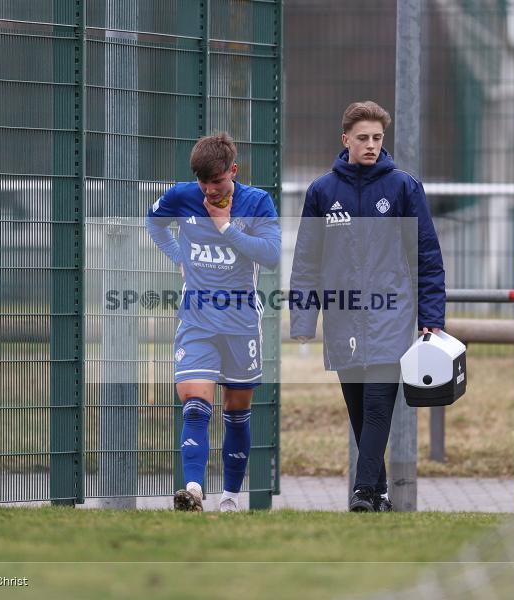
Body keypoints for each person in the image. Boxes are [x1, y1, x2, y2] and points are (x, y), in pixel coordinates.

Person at [290, 101, 446, 512]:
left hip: (391, 315)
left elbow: (426, 258)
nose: (372, 145)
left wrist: (430, 318)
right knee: (358, 410)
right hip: (342, 317)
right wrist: (304, 317)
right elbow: (306, 261)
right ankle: (377, 493)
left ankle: (361, 493)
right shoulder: (322, 192)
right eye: (363, 138)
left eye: (378, 138)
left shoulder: (403, 188)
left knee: (378, 404)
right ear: (346, 140)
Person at [145, 133, 280, 512]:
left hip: (241, 323)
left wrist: (225, 228)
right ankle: (192, 489)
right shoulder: (181, 196)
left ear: (232, 172)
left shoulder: (257, 202)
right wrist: (178, 257)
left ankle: (231, 499)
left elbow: (270, 255)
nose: (209, 191)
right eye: (203, 183)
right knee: (194, 402)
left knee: (236, 412)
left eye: (217, 182)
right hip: (197, 320)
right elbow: (154, 223)